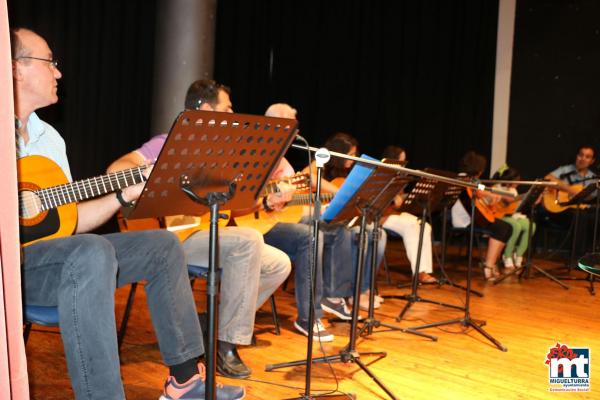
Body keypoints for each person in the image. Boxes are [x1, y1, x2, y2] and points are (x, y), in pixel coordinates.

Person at [12, 28, 244, 399]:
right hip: (15, 271)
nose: (58, 72)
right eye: (50, 62)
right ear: (16, 68)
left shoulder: (50, 140)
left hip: (57, 259)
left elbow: (71, 221)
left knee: (162, 245)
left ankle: (185, 381)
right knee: (91, 250)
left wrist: (125, 193)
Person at [109, 79, 292, 378]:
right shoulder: (168, 142)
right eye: (228, 109)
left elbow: (238, 203)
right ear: (207, 109)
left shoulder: (226, 154)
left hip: (209, 235)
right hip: (174, 239)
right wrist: (147, 171)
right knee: (249, 240)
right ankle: (225, 344)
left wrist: (268, 201)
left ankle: (213, 325)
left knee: (279, 264)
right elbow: (115, 169)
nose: (234, 115)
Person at [302, 132, 388, 310]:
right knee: (359, 233)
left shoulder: (349, 171)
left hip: (344, 216)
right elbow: (307, 177)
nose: (354, 158)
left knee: (378, 234)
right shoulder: (322, 160)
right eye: (350, 155)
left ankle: (362, 289)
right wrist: (338, 192)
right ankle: (347, 291)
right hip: (323, 216)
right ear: (339, 153)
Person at [451, 151, 512, 281]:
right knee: (501, 228)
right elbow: (476, 192)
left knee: (508, 227)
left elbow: (480, 191)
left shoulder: (471, 179)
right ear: (478, 169)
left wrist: (492, 196)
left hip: (473, 216)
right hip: (464, 220)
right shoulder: (461, 179)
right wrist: (490, 195)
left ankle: (493, 261)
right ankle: (488, 266)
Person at [380, 145, 437, 283]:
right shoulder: (381, 173)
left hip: (394, 212)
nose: (405, 164)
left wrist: (414, 195)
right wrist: (395, 197)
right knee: (411, 226)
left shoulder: (399, 176)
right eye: (402, 160)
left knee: (425, 225)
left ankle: (425, 270)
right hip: (380, 215)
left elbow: (398, 202)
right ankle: (419, 272)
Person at [540, 145, 597, 257]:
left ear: (592, 161)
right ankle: (577, 257)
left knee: (592, 215)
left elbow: (591, 197)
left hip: (579, 210)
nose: (583, 159)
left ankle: (590, 256)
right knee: (580, 215)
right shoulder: (565, 170)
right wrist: (570, 190)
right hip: (558, 209)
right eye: (581, 155)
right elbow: (548, 178)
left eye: (587, 157)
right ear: (576, 156)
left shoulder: (593, 177)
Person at [490, 165, 536, 269]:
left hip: (512, 215)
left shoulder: (513, 190)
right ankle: (507, 255)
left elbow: (516, 205)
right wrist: (523, 195)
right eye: (516, 181)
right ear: (509, 180)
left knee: (531, 226)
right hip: (500, 216)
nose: (517, 184)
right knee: (516, 226)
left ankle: (519, 254)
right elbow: (509, 200)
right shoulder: (496, 187)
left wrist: (532, 198)